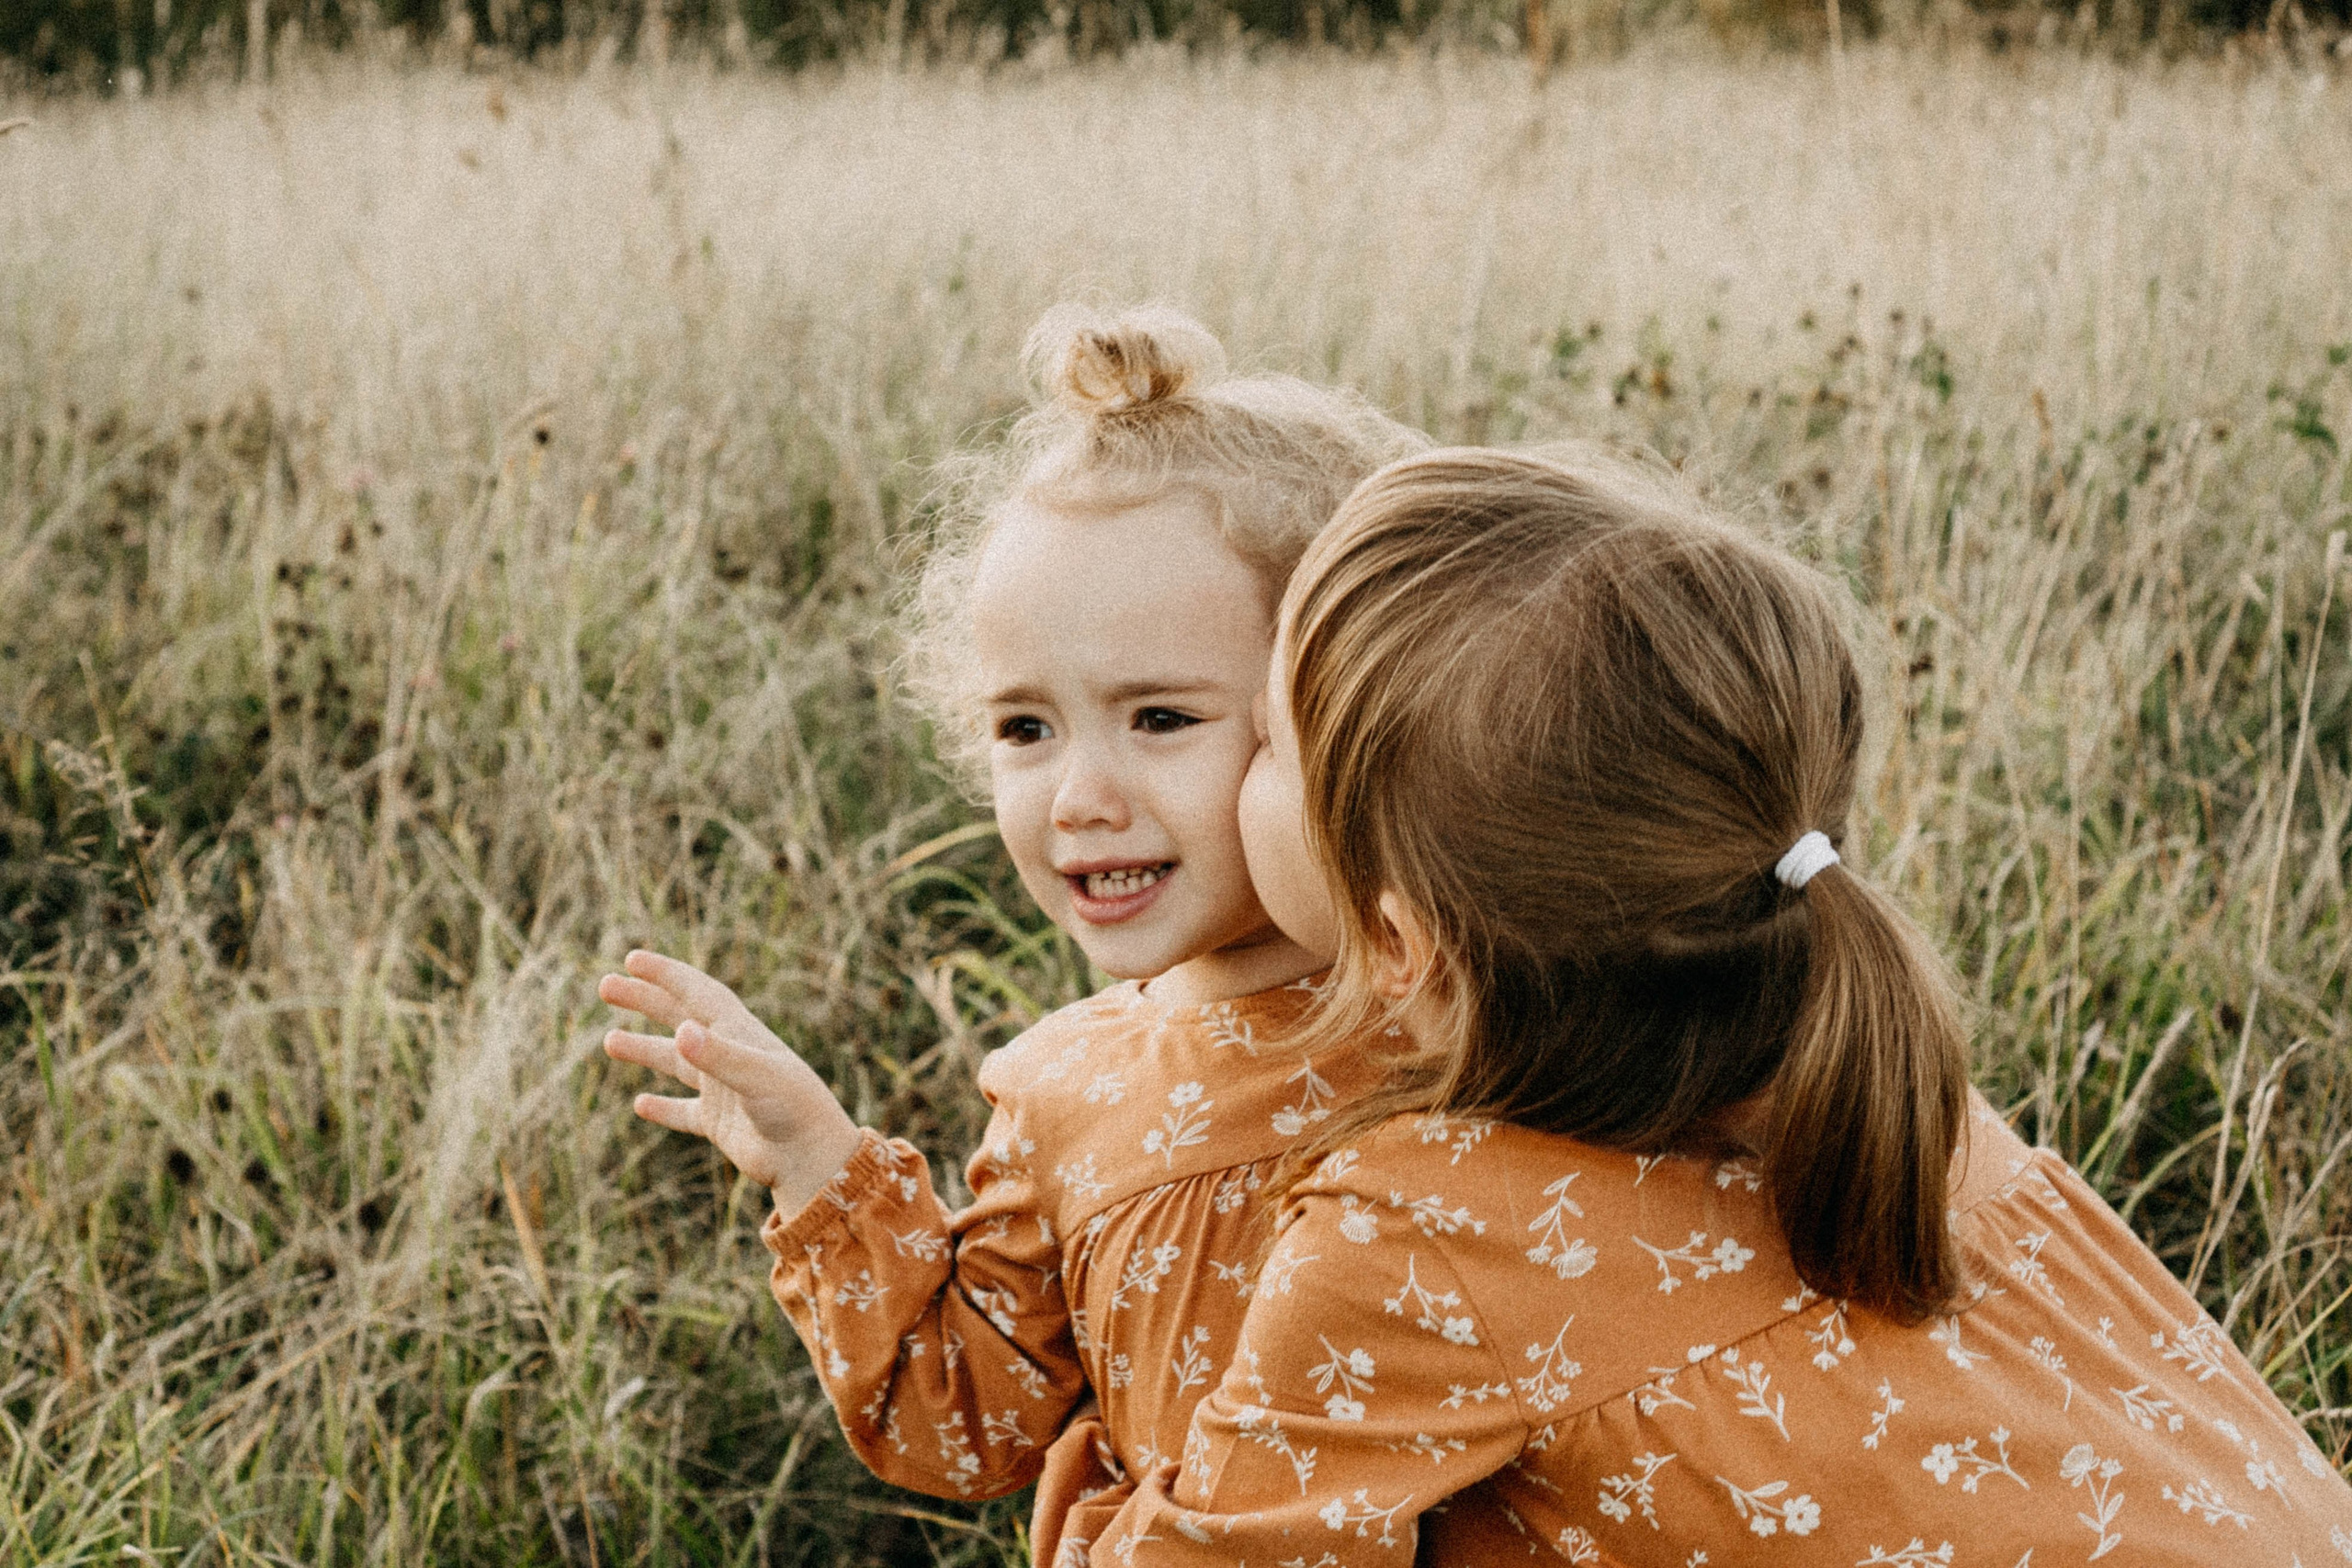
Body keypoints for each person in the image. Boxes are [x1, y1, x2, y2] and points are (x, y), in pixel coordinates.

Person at [1085, 446, 2352, 1563]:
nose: (1237, 758)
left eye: (1271, 739)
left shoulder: (1422, 1235)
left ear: (1399, 941)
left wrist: (1092, 1467)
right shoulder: (1883, 1087)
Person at [596, 305, 1425, 1567]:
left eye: (1160, 718)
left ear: (1345, 710)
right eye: (1025, 730)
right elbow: (966, 1428)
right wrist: (815, 1160)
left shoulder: (1479, 1012)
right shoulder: (1062, 1094)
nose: (1079, 797)